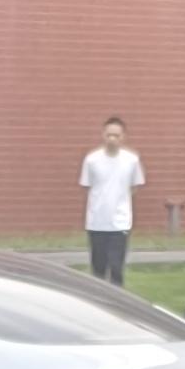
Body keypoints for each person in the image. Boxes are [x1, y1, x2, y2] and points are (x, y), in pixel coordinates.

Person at [77, 117, 144, 285]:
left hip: (120, 224)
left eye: (116, 135)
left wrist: (120, 201)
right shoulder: (92, 160)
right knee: (98, 270)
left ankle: (116, 299)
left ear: (123, 136)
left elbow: (135, 186)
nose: (112, 139)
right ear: (103, 135)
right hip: (97, 223)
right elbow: (86, 186)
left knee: (116, 269)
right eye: (109, 135)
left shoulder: (132, 160)